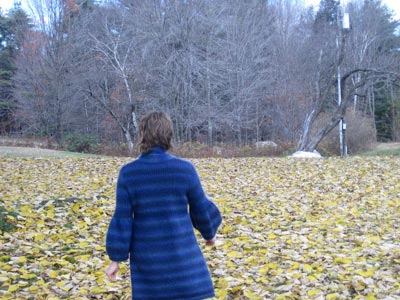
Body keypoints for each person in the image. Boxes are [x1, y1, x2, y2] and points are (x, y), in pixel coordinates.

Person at [105, 111, 222, 299]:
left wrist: (115, 259)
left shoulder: (129, 174)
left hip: (149, 261)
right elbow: (201, 208)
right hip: (183, 257)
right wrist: (209, 235)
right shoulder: (185, 170)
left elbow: (122, 220)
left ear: (142, 134)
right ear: (169, 135)